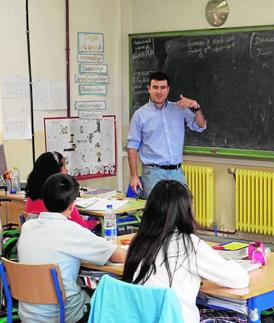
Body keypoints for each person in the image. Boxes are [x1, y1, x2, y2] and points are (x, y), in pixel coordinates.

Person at [122, 180, 249, 323]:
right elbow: (240, 279)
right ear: (185, 210)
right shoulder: (188, 243)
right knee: (241, 317)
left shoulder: (138, 242)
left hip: (143, 319)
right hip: (175, 319)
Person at [18, 173, 127, 322]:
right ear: (72, 205)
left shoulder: (27, 227)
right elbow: (120, 256)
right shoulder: (73, 231)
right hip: (65, 316)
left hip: (28, 315)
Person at [127, 71, 207, 198]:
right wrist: (134, 176)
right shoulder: (139, 115)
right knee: (156, 212)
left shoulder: (179, 109)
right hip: (153, 173)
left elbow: (201, 126)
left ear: (168, 89)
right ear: (149, 89)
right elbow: (132, 147)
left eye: (163, 87)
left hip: (177, 172)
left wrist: (195, 107)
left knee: (181, 211)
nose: (159, 91)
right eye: (155, 87)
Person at [25, 151, 98, 230]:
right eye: (64, 167)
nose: (66, 171)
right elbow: (82, 227)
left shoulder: (30, 199)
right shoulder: (61, 200)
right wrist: (95, 222)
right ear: (55, 172)